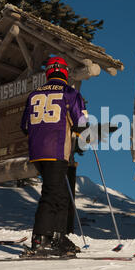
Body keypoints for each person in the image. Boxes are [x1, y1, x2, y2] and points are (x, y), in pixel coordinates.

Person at [21, 56, 88, 257]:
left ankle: (58, 236)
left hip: (37, 151)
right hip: (56, 149)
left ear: (49, 72)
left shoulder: (34, 95)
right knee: (52, 194)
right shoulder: (70, 92)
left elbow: (24, 126)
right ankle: (40, 238)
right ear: (65, 72)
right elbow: (81, 122)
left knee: (60, 194)